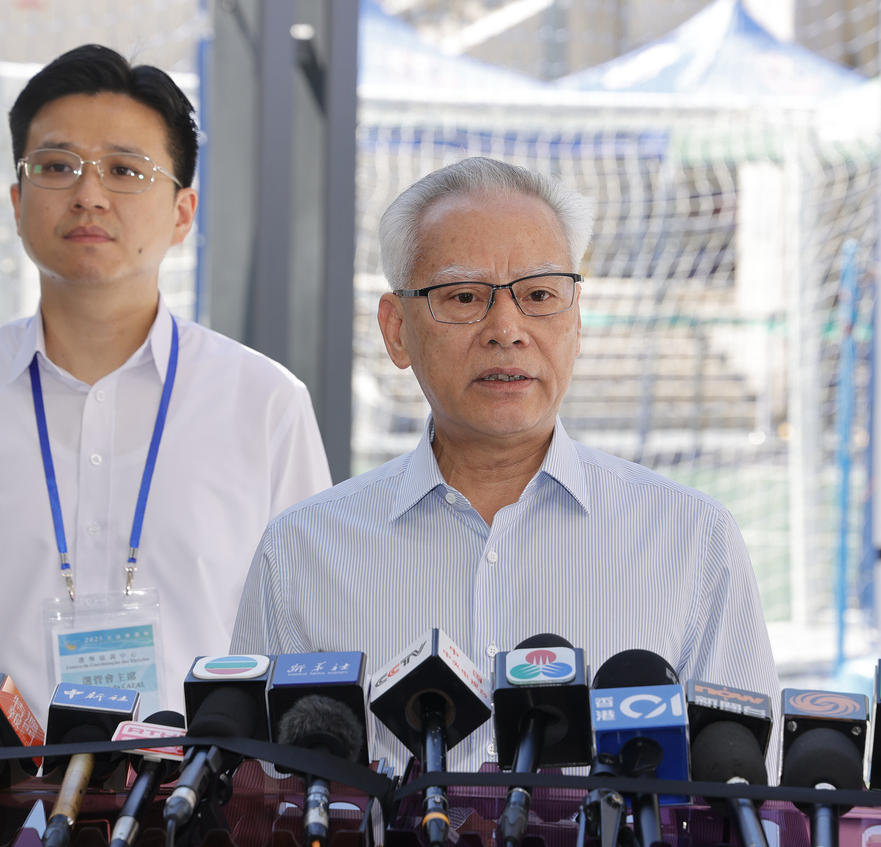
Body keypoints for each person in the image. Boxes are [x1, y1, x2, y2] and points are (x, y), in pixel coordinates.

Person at [0, 45, 331, 718]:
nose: (89, 194)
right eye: (57, 166)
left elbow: (309, 651)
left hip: (198, 782)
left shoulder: (264, 405)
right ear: (16, 201)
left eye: (125, 170)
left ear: (183, 212)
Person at [230, 157, 780, 773]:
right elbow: (255, 796)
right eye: (465, 297)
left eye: (540, 295)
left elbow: (751, 790)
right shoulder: (301, 551)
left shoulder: (694, 540)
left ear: (577, 319)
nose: (507, 329)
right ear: (397, 330)